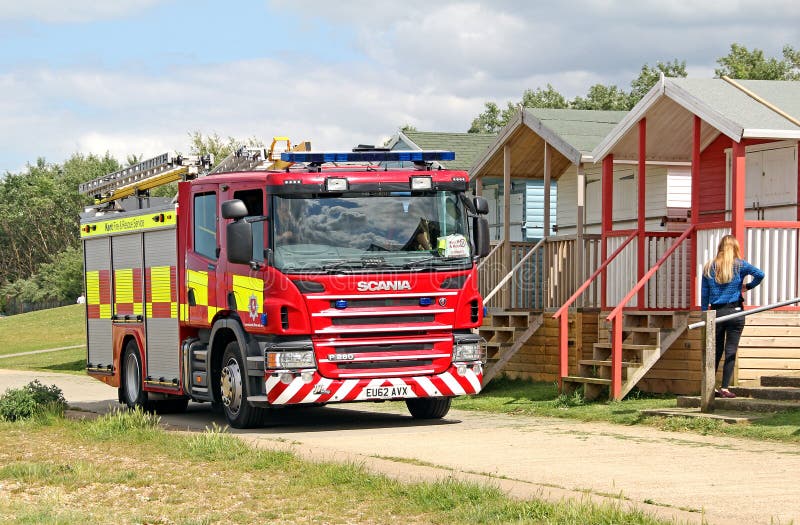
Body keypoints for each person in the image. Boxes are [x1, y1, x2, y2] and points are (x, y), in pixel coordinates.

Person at [701, 235, 764, 399]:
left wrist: (704, 313)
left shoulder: (709, 267)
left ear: (720, 247)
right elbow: (760, 274)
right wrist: (747, 286)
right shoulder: (740, 265)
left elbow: (704, 294)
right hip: (736, 312)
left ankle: (710, 387)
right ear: (735, 247)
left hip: (716, 313)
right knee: (731, 350)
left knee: (715, 350)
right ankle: (725, 388)